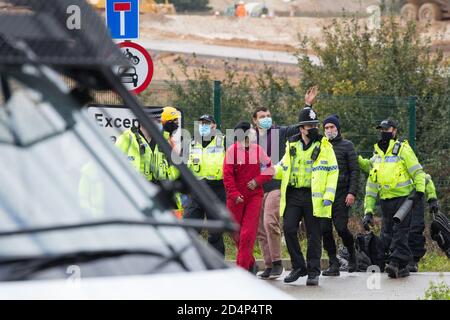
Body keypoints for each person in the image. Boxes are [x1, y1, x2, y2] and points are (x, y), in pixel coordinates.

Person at [252, 86, 319, 279]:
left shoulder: (280, 132)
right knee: (261, 229)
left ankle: (278, 263)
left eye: (268, 115)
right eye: (262, 116)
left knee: (270, 222)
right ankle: (269, 264)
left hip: (276, 185)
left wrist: (308, 104)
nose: (266, 118)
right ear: (254, 121)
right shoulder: (249, 138)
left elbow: (302, 125)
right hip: (257, 187)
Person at [274, 106, 339, 286]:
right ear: (301, 128)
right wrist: (270, 171)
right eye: (309, 126)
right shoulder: (292, 144)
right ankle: (298, 267)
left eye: (315, 125)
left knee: (314, 234)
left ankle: (313, 271)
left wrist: (329, 195)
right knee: (288, 228)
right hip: (294, 194)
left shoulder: (324, 145)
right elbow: (284, 166)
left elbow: (333, 171)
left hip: (314, 196)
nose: (313, 128)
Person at [363, 119, 426, 279]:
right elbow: (371, 185)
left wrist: (419, 191)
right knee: (387, 233)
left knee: (401, 232)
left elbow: (417, 171)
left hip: (404, 198)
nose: (383, 132)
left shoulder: (403, 149)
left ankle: (396, 263)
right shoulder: (377, 155)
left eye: (387, 129)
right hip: (386, 201)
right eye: (381, 129)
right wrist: (368, 210)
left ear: (394, 131)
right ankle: (403, 266)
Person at [223, 122, 274, 273]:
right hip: (235, 199)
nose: (254, 132)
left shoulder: (258, 150)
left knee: (247, 234)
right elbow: (227, 176)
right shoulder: (232, 151)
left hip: (254, 197)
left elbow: (270, 169)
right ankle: (250, 263)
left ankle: (242, 272)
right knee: (236, 234)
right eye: (251, 130)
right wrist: (234, 194)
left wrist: (257, 181)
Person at [320, 115, 359, 276]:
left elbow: (355, 171)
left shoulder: (347, 145)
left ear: (338, 128)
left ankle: (352, 253)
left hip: (342, 193)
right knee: (325, 229)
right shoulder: (321, 147)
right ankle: (333, 263)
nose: (329, 130)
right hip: (323, 195)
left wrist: (352, 192)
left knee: (341, 228)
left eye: (332, 127)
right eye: (326, 128)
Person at [185, 114, 226, 256]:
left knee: (215, 232)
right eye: (202, 124)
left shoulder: (223, 142)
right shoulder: (191, 143)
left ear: (214, 126)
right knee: (189, 227)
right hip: (197, 189)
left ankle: (217, 264)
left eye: (207, 123)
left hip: (217, 189)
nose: (204, 126)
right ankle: (190, 261)